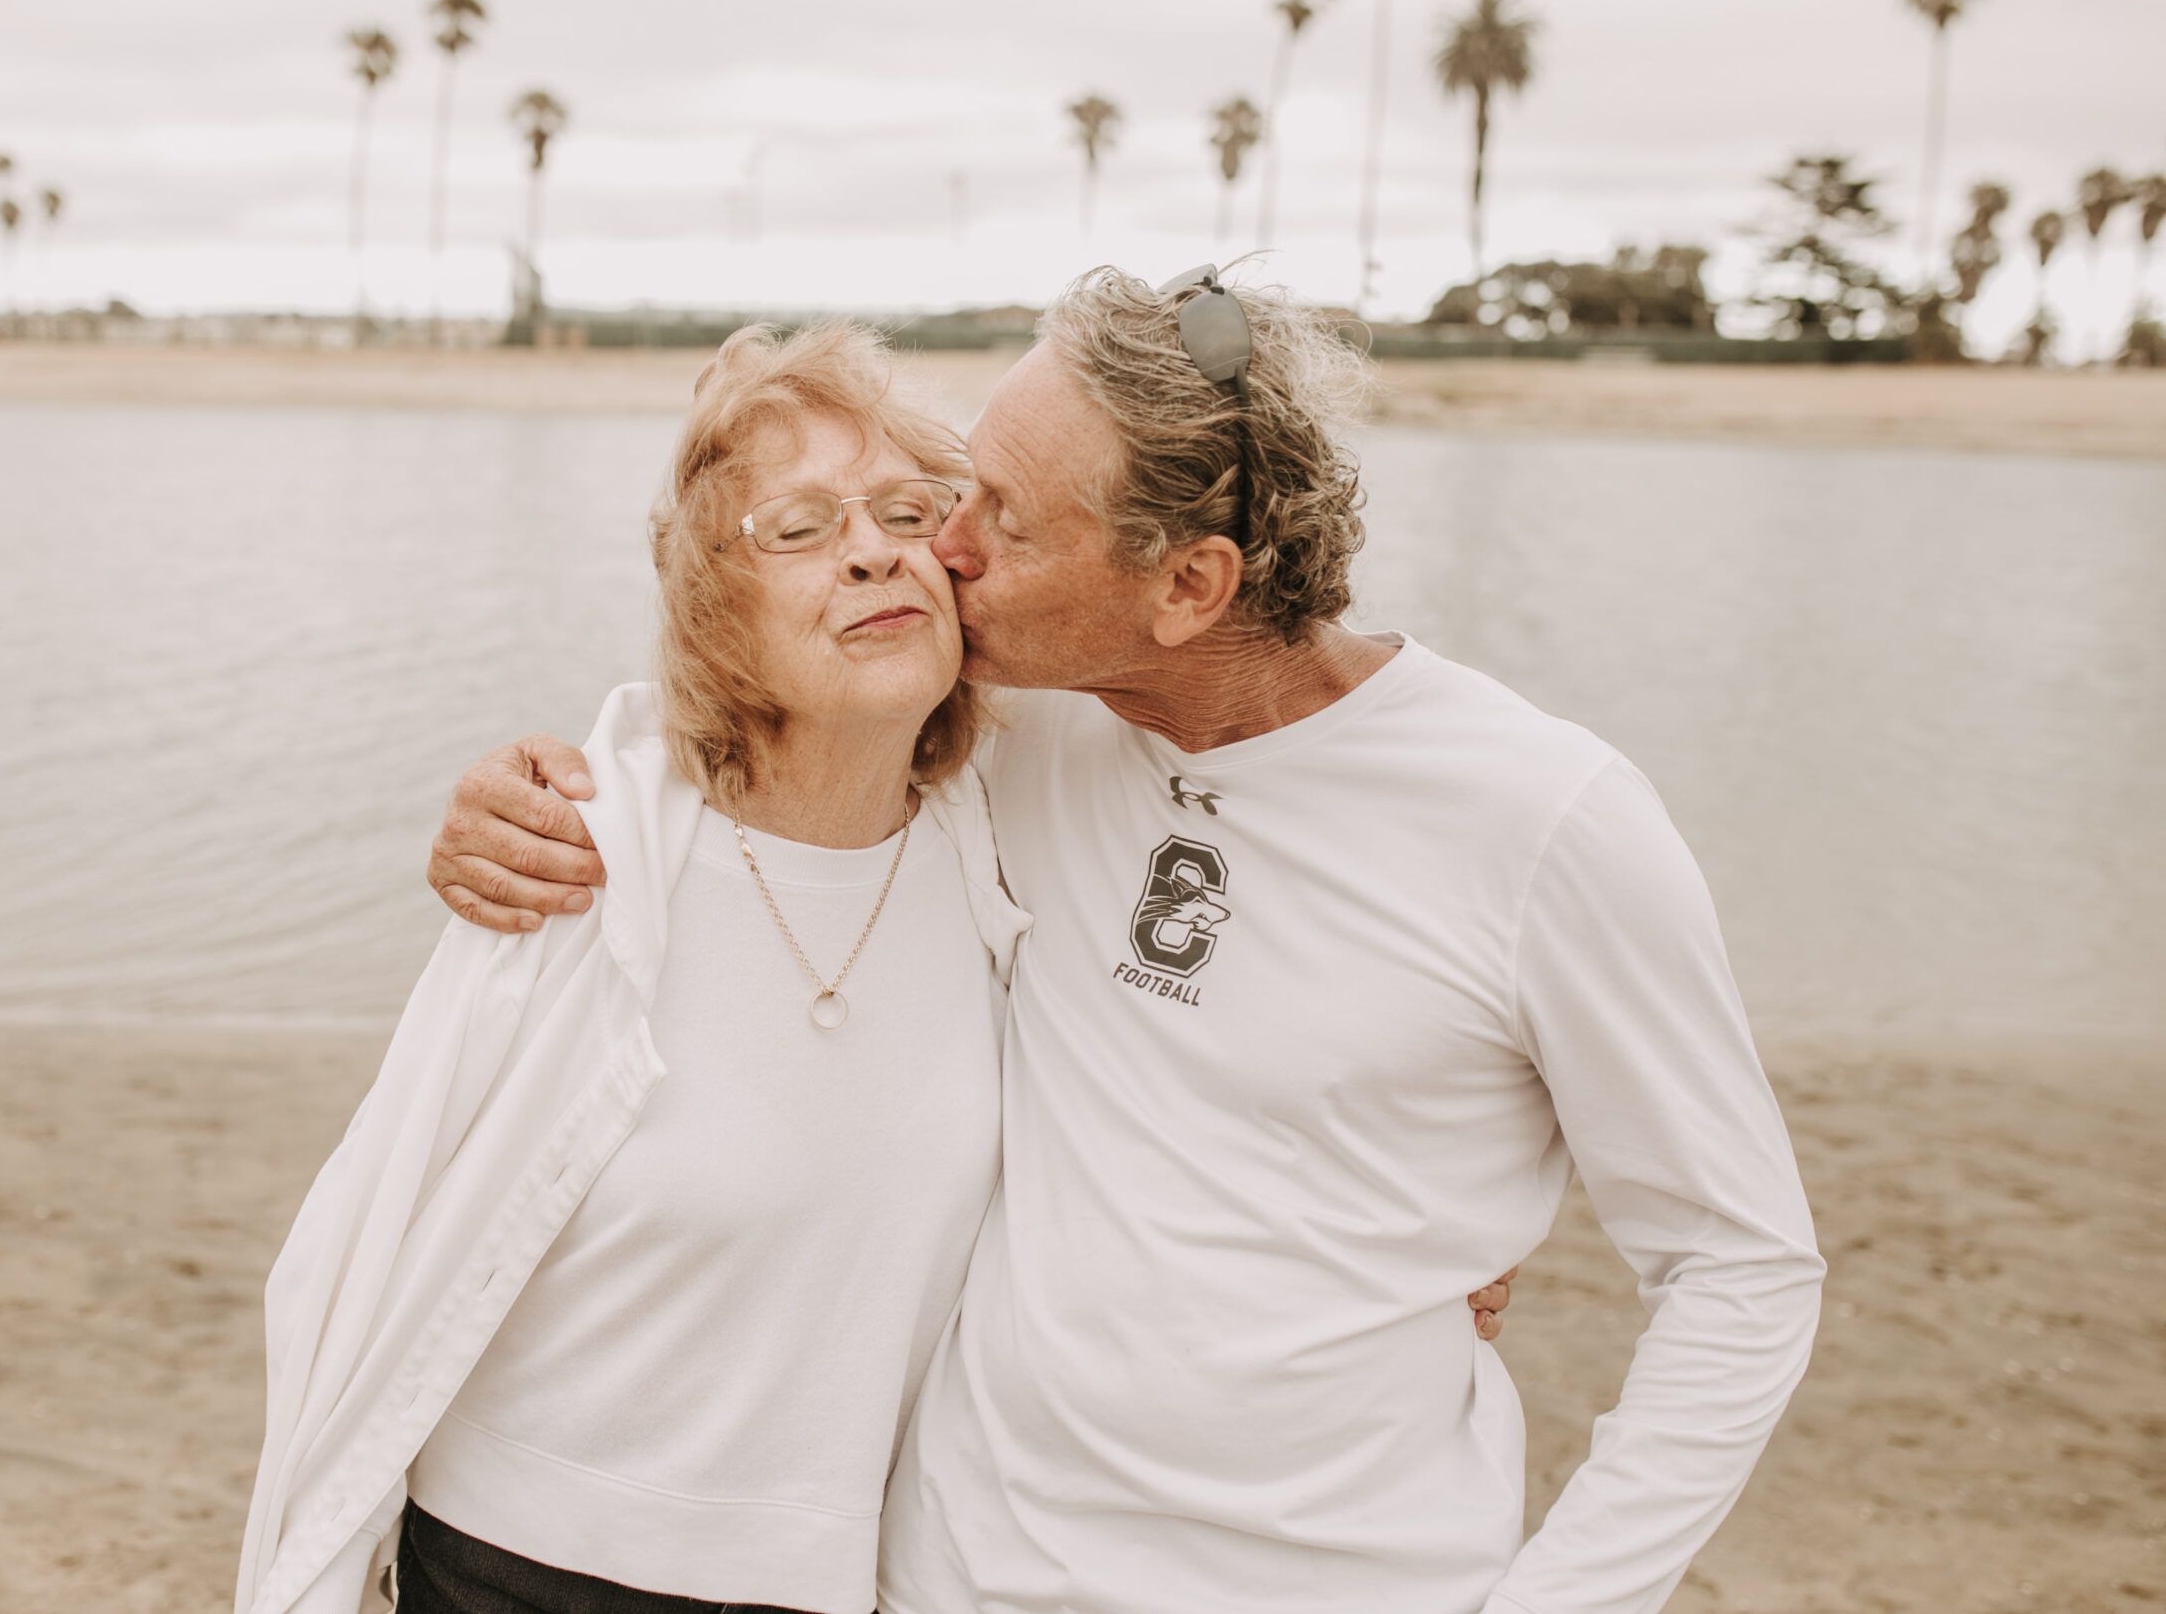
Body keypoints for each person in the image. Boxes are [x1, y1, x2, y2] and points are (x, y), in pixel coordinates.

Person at [427, 266, 1826, 1614]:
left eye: (1007, 526)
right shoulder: (1008, 732)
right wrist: (532, 805)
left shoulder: (1544, 822)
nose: (941, 547)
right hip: (946, 1578)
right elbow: (762, 729)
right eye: (959, 484)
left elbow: (1739, 1270)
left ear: (1189, 588)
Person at [238, 322, 1035, 1614]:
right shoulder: (580, 868)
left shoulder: (1020, 862)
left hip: (842, 1579)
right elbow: (380, 1234)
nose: (874, 549)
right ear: (710, 609)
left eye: (907, 510)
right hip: (523, 1569)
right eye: (799, 527)